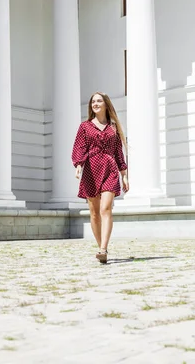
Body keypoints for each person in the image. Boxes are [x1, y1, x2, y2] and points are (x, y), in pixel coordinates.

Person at [72, 92, 129, 264]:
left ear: (106, 104)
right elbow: (79, 147)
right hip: (90, 170)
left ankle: (103, 248)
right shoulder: (85, 126)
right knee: (94, 213)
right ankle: (101, 248)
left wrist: (124, 175)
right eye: (93, 102)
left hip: (110, 169)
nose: (95, 104)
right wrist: (78, 165)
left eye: (99, 101)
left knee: (106, 209)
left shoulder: (113, 127)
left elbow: (119, 152)